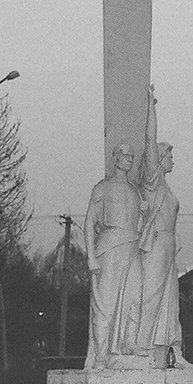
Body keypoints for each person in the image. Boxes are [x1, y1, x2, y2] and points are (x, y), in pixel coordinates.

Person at [137, 84, 193, 368]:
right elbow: (149, 141)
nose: (174, 160)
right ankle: (141, 349)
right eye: (170, 155)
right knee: (152, 296)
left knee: (171, 303)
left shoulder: (166, 188)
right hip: (157, 244)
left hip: (169, 246)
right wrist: (151, 108)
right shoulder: (153, 181)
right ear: (159, 160)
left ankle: (172, 353)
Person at [84, 143, 147, 369]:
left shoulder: (135, 191)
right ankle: (101, 356)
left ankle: (129, 342)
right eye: (125, 155)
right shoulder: (102, 187)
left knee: (136, 298)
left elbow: (141, 223)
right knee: (105, 303)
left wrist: (145, 215)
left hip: (132, 245)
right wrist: (90, 256)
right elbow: (89, 221)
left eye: (132, 155)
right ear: (115, 158)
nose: (129, 159)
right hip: (109, 246)